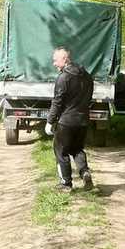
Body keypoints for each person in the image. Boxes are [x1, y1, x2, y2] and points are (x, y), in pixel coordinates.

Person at [45, 47, 94, 190]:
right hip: (83, 120)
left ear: (65, 59)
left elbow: (57, 102)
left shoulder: (63, 78)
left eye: (56, 60)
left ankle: (66, 183)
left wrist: (50, 121)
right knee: (78, 149)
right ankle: (85, 172)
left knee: (61, 151)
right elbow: (89, 97)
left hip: (66, 121)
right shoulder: (87, 76)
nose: (54, 63)